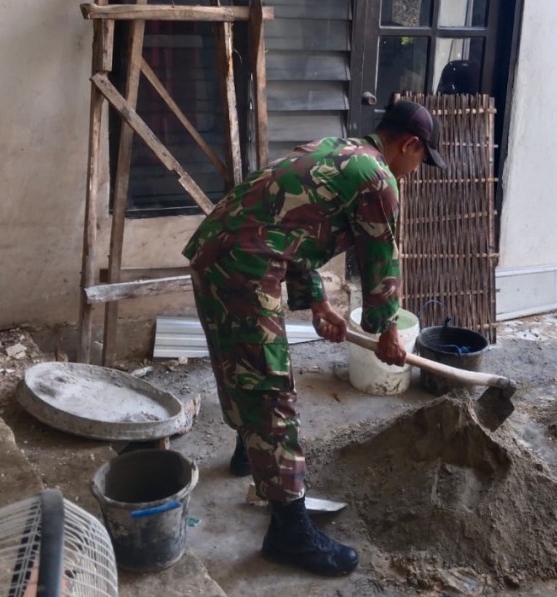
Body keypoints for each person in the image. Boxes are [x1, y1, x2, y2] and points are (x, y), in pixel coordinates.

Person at [182, 100, 446, 576]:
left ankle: (250, 449)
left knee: (236, 358)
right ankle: (289, 531)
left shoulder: (338, 150)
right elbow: (382, 261)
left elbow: (293, 226)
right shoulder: (378, 178)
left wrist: (318, 303)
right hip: (244, 267)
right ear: (409, 144)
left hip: (215, 253)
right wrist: (386, 332)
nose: (414, 171)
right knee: (269, 384)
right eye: (420, 160)